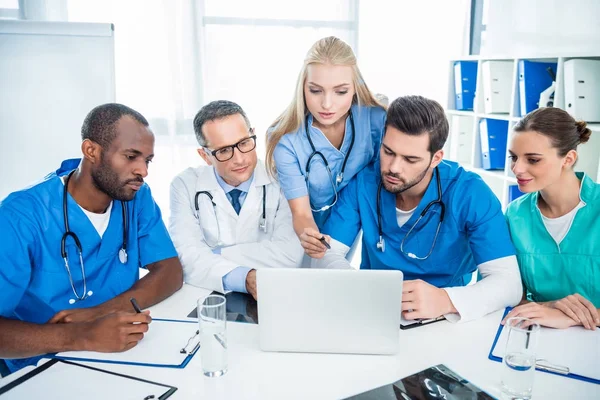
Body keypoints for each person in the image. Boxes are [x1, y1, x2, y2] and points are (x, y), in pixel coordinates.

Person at [0, 103, 183, 374]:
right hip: (42, 367)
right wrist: (82, 335)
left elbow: (170, 271)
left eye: (147, 160)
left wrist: (100, 313)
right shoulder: (20, 216)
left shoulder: (135, 196)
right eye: (131, 156)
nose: (143, 171)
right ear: (91, 151)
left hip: (123, 353)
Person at [312, 95, 522, 322]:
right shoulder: (364, 181)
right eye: (388, 152)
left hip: (442, 318)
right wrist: (361, 287)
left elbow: (509, 284)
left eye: (410, 159)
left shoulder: (470, 194)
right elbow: (326, 252)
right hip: (373, 311)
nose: (393, 168)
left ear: (436, 158)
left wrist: (446, 300)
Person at [265, 36, 387, 258]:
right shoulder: (286, 139)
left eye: (340, 92)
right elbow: (300, 212)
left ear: (355, 89)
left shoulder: (376, 120)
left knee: (335, 276)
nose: (327, 104)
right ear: (302, 87)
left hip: (352, 218)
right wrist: (311, 237)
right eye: (315, 90)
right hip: (296, 226)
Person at [169, 100, 303, 300]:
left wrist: (213, 254)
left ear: (253, 134)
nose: (239, 159)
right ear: (205, 156)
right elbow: (184, 257)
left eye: (244, 143)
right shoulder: (185, 185)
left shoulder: (283, 177)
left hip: (276, 295)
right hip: (207, 298)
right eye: (223, 151)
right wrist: (244, 277)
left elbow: (290, 255)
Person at [502, 107, 599, 330]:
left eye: (533, 160)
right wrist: (551, 306)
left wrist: (572, 317)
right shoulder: (514, 215)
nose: (517, 168)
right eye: (513, 157)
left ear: (568, 159)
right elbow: (500, 290)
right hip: (537, 334)